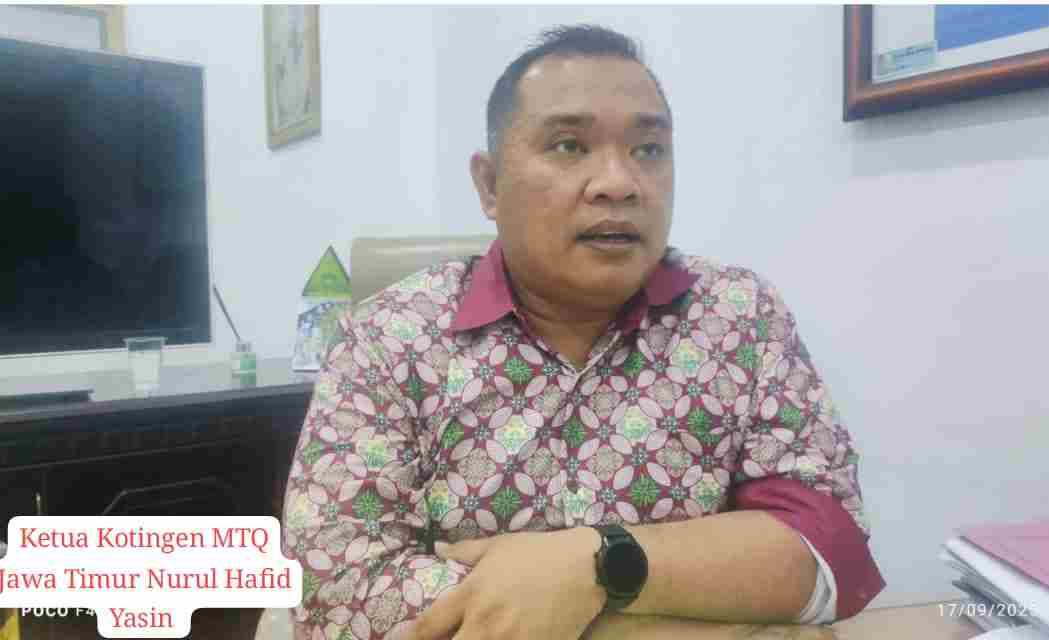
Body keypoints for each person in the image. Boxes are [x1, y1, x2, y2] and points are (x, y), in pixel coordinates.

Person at [283, 24, 885, 640]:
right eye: (569, 145)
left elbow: (826, 549)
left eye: (649, 149)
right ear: (489, 185)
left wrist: (593, 565)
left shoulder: (740, 315)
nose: (619, 182)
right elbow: (335, 593)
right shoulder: (387, 339)